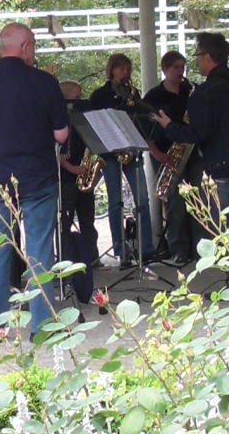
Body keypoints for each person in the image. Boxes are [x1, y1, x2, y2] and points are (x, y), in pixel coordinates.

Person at [0, 23, 72, 339]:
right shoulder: (45, 82)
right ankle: (41, 326)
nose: (34, 50)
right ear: (24, 46)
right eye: (33, 44)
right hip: (38, 179)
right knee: (38, 251)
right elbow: (61, 134)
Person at [165, 32, 229, 234]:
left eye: (198, 56)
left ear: (208, 57)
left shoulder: (204, 92)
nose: (196, 61)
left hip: (222, 168)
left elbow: (198, 134)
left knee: (223, 229)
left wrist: (168, 125)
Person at [85, 53, 152, 263]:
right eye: (121, 68)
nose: (125, 72)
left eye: (128, 69)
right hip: (109, 153)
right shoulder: (99, 95)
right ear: (112, 70)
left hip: (131, 151)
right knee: (115, 202)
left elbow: (142, 120)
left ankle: (146, 248)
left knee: (142, 199)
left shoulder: (133, 93)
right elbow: (92, 122)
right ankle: (120, 250)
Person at [144, 50, 196, 262]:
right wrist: (157, 153)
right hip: (166, 154)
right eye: (176, 67)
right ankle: (178, 250)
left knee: (195, 200)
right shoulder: (153, 97)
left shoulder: (189, 91)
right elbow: (145, 130)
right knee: (175, 203)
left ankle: (196, 249)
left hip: (191, 151)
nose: (180, 71)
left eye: (182, 66)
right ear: (165, 69)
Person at [56, 80, 99, 305]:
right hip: (67, 177)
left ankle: (91, 258)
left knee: (88, 219)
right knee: (64, 223)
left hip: (83, 174)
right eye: (76, 95)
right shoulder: (61, 116)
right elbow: (58, 150)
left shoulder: (83, 117)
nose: (80, 98)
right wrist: (72, 168)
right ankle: (67, 262)